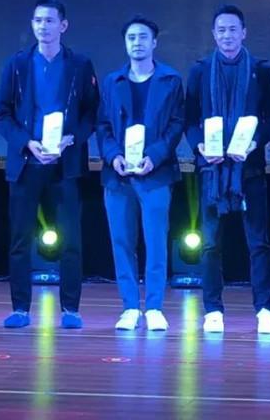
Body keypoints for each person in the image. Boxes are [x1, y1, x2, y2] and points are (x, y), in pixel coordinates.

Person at [0, 0, 99, 329]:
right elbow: (1, 114)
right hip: (27, 162)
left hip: (65, 164)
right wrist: (27, 142)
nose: (43, 26)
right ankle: (20, 309)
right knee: (20, 240)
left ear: (63, 25)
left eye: (50, 20)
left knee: (71, 240)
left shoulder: (79, 64)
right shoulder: (17, 64)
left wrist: (72, 139)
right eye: (38, 20)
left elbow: (92, 113)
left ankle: (70, 309)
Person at [185, 4, 270, 334]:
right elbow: (189, 119)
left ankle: (264, 309)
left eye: (233, 29)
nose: (227, 35)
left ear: (244, 33)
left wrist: (255, 143)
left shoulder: (260, 70)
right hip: (212, 171)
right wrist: (199, 146)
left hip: (249, 169)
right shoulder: (200, 70)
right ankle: (212, 309)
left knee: (258, 243)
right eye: (221, 30)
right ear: (214, 34)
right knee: (210, 243)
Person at [96, 16, 185, 331]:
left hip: (155, 174)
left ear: (154, 42)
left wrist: (155, 156)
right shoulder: (112, 81)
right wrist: (113, 156)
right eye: (131, 37)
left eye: (143, 37)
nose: (137, 42)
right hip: (118, 176)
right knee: (122, 241)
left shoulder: (171, 80)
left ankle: (155, 306)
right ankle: (130, 306)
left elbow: (177, 124)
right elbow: (103, 126)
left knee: (156, 241)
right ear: (125, 43)